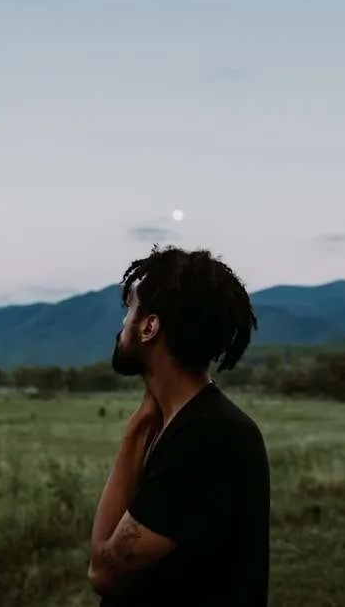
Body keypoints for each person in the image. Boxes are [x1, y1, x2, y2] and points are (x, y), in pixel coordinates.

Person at [87, 244, 271, 606]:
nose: (123, 324)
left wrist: (135, 430)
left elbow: (104, 571)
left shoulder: (209, 438)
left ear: (149, 327)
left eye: (130, 311)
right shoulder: (184, 424)